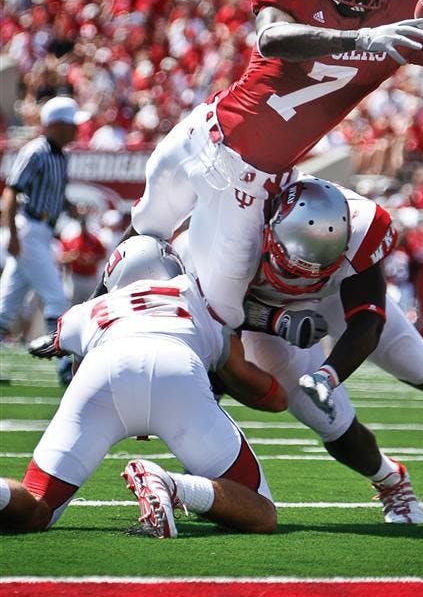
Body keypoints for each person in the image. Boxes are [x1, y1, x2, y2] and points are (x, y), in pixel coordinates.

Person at [116, 0, 423, 330]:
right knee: (141, 237)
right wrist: (360, 38)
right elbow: (272, 38)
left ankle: (264, 319)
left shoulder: (405, 11)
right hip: (205, 132)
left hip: (250, 181)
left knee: (218, 314)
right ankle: (82, 325)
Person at [220, 178, 423, 500]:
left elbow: (368, 322)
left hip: (334, 288)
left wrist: (329, 375)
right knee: (328, 422)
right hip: (262, 306)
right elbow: (214, 305)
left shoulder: (361, 227)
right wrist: (274, 319)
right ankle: (390, 480)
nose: (301, 277)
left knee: (418, 363)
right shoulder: (237, 229)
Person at [0, 236, 285, 537]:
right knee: (260, 512)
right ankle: (173, 486)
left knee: (36, 506)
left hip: (103, 370)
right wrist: (277, 396)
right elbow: (236, 370)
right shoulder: (199, 293)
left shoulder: (87, 310)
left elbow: (73, 362)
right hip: (176, 368)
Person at [0, 96, 89, 385]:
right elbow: (12, 192)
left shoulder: (60, 156)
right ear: (57, 125)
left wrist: (70, 208)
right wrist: (12, 234)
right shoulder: (36, 151)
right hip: (29, 230)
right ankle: (65, 366)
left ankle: (64, 364)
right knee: (56, 297)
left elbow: (56, 194)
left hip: (40, 230)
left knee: (6, 305)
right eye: (72, 124)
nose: (77, 130)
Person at [58, 211, 108, 305]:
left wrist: (93, 259)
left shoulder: (94, 240)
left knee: (90, 303)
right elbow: (62, 258)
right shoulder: (72, 240)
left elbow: (103, 255)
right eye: (81, 224)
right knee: (73, 304)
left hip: (90, 277)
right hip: (76, 277)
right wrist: (72, 256)